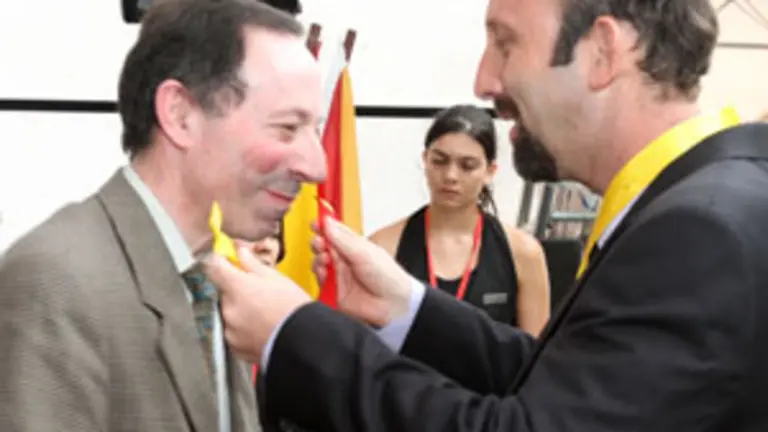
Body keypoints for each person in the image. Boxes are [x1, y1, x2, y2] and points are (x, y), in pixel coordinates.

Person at [204, 0, 768, 431]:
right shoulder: (705, 202)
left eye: (504, 43)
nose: (484, 81)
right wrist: (408, 309)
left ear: (602, 51)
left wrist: (294, 334)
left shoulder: (700, 233)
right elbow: (569, 386)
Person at [0, 1, 325, 431]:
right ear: (180, 114)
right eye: (287, 128)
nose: (316, 166)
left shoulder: (213, 276)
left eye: (315, 130)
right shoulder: (58, 282)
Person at [369, 104, 550, 334]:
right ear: (425, 160)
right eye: (440, 161)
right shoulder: (383, 247)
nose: (451, 176)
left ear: (490, 171)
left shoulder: (523, 254)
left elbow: (536, 355)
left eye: (467, 166)